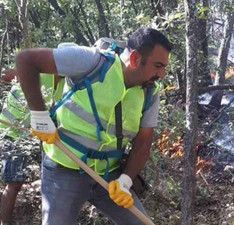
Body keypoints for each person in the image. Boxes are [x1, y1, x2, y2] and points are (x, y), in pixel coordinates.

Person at [15, 27, 172, 225]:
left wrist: (125, 181)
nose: (162, 73)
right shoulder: (91, 62)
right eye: (158, 65)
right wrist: (38, 114)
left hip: (110, 177)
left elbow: (143, 143)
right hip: (64, 170)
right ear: (134, 59)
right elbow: (26, 59)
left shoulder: (151, 92)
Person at [0, 69, 64, 225]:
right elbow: (7, 75)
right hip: (11, 132)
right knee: (14, 183)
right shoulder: (37, 71)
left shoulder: (65, 83)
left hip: (31, 136)